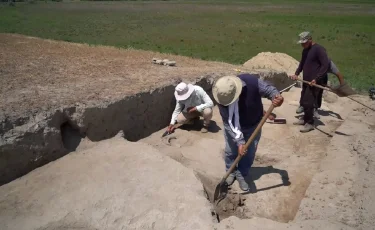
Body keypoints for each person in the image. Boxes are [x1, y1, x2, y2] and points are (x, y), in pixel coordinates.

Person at [212, 73, 284, 191]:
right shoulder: (221, 97)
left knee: (249, 153)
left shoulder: (252, 82)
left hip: (253, 125)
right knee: (231, 151)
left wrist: (277, 97)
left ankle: (242, 174)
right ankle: (230, 172)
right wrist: (240, 142)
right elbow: (227, 123)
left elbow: (270, 90)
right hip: (234, 128)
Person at [290, 31, 330, 133]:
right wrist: (296, 73)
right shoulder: (305, 50)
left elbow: (325, 65)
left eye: (304, 43)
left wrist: (317, 78)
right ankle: (305, 119)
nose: (302, 45)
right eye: (301, 43)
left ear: (310, 40)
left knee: (309, 102)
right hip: (306, 80)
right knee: (304, 101)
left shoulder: (319, 50)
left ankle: (310, 123)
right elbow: (302, 63)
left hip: (315, 82)